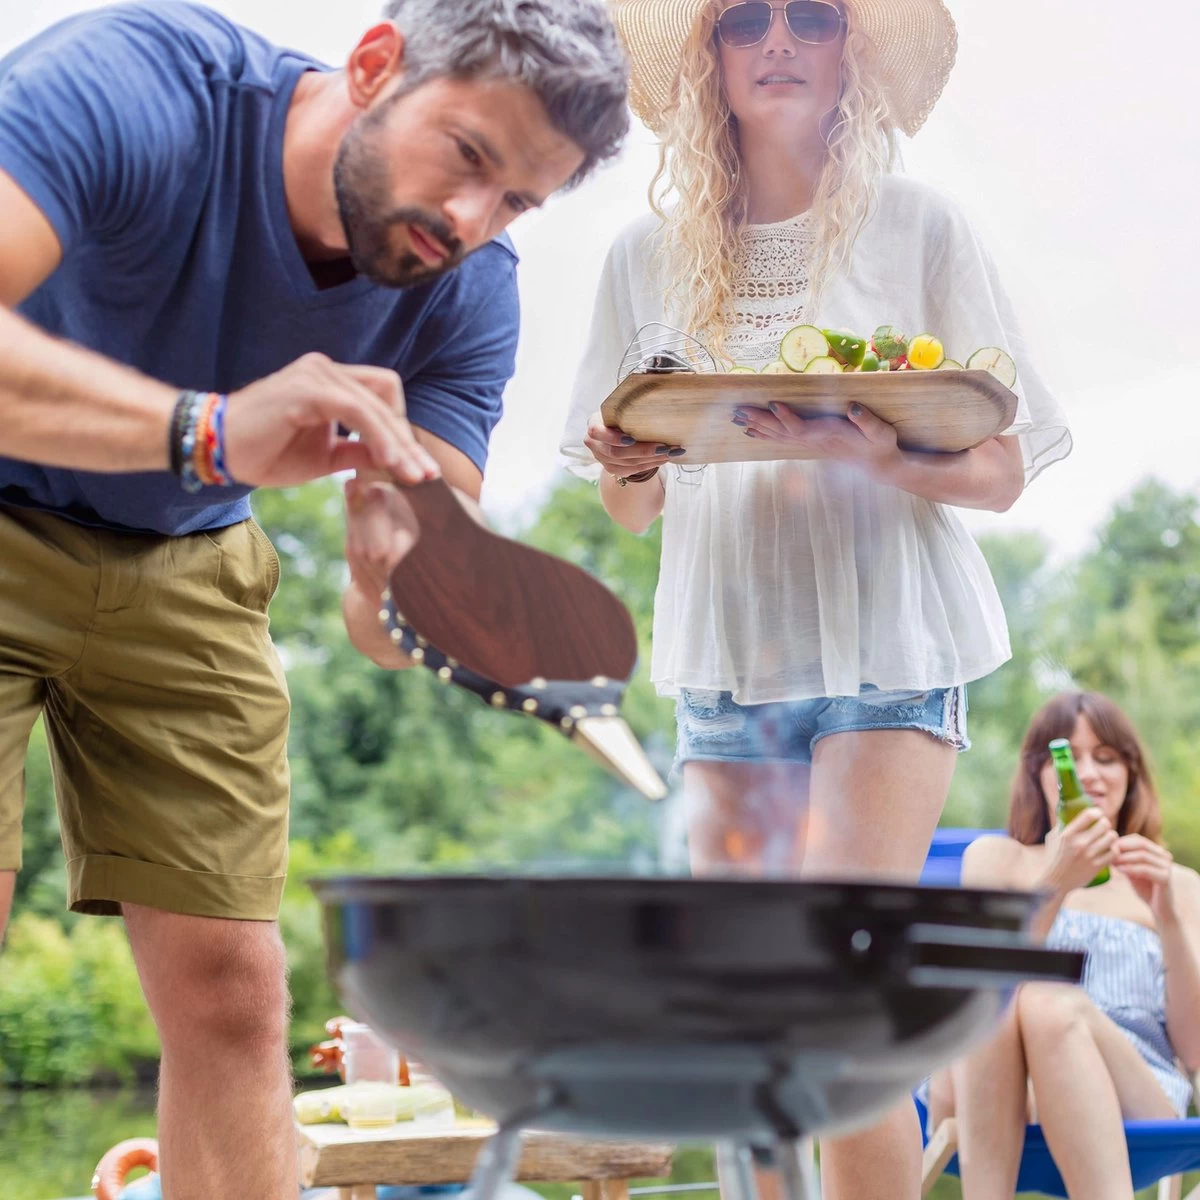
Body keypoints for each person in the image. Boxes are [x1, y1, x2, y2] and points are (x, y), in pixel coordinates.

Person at [0, 0, 628, 1194]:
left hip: (186, 563)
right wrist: (214, 431)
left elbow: (378, 634)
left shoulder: (468, 289)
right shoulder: (146, 87)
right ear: (377, 64)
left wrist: (402, 578)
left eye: (518, 203)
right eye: (468, 157)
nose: (471, 220)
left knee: (234, 996)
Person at [560, 0, 1070, 1196]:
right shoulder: (645, 258)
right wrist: (632, 465)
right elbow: (629, 501)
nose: (778, 39)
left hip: (887, 641)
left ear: (849, 54)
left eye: (810, 17)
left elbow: (1000, 465)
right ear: (711, 61)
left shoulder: (920, 227)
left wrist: (875, 452)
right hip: (728, 654)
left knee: (836, 1000)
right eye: (746, 20)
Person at [924, 692, 1200, 1200]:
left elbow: (1194, 1050)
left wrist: (1170, 919)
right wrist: (1054, 882)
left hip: (1136, 1092)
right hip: (990, 1085)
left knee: (1049, 1001)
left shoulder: (1175, 882)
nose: (1089, 774)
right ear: (1039, 774)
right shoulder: (997, 859)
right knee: (1007, 991)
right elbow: (971, 992)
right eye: (1068, 757)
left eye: (1107, 757)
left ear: (1131, 773)